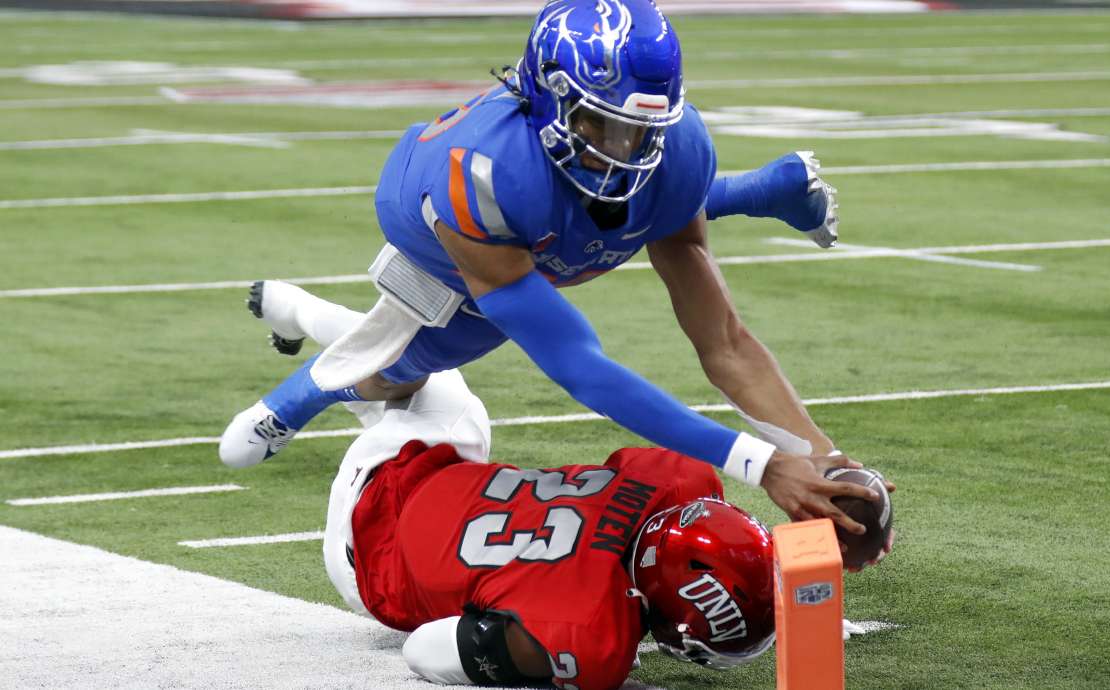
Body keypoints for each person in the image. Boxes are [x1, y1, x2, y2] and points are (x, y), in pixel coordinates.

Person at [222, 0, 878, 534]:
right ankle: (305, 384)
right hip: (437, 226)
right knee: (404, 372)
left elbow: (725, 341)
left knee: (625, 208)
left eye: (643, 132)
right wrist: (760, 464)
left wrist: (823, 459)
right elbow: (582, 368)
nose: (629, 154)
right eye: (605, 127)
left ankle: (767, 188)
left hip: (544, 216)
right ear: (547, 98)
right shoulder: (483, 179)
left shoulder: (675, 150)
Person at [322, 365, 779, 690]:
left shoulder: (682, 483)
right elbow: (421, 650)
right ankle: (291, 393)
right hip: (367, 559)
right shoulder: (593, 635)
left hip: (415, 463)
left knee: (430, 360)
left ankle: (294, 315)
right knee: (416, 358)